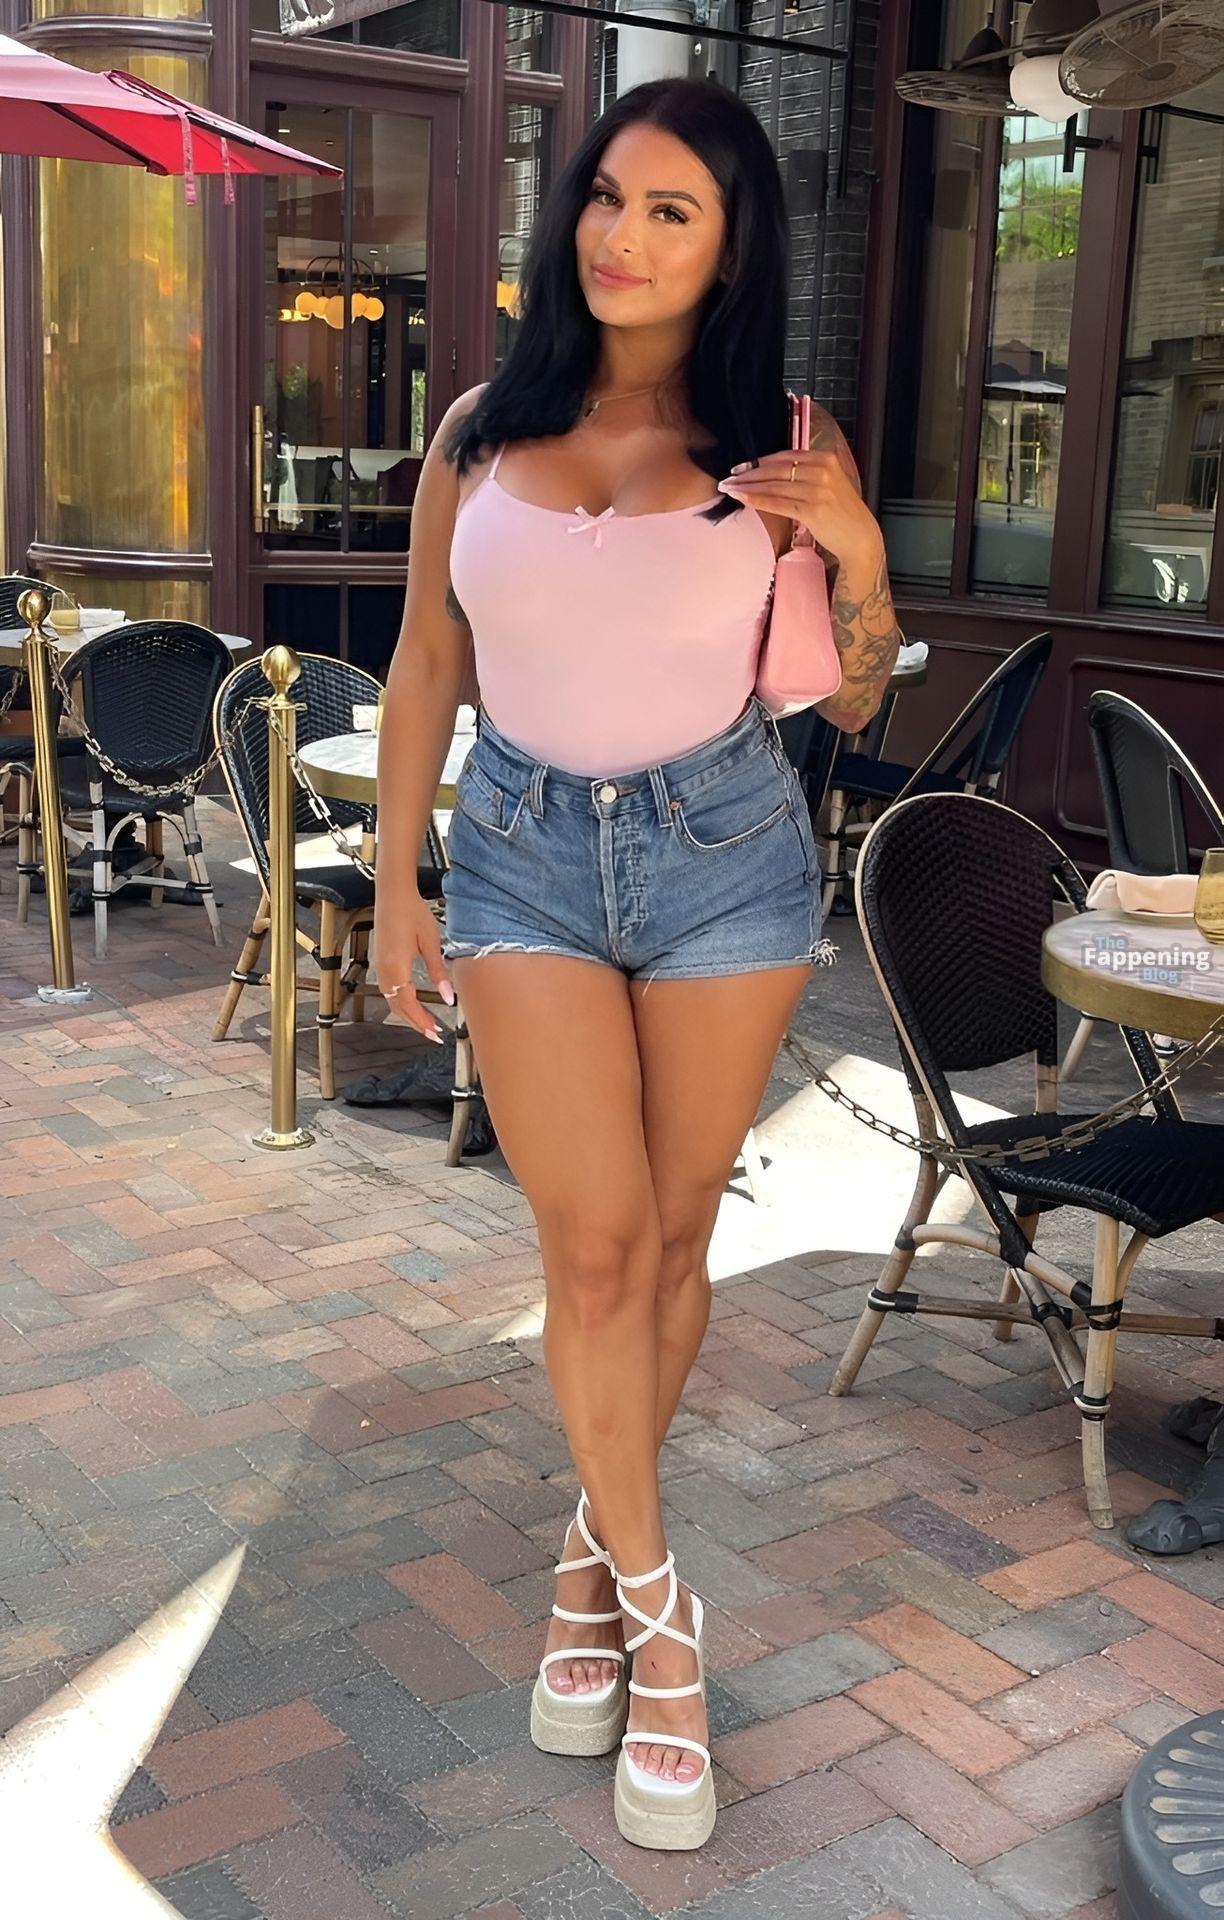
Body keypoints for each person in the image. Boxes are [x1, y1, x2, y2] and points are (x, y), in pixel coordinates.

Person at [372, 74, 900, 1852]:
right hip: (519, 850)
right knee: (588, 1245)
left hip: (722, 857)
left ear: (731, 248)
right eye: (607, 195)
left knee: (673, 1245)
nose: (623, 234)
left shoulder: (784, 441)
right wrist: (397, 880)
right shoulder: (479, 429)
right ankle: (665, 1632)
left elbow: (852, 695)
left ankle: (587, 1571)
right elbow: (428, 657)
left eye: (673, 210)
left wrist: (860, 546)